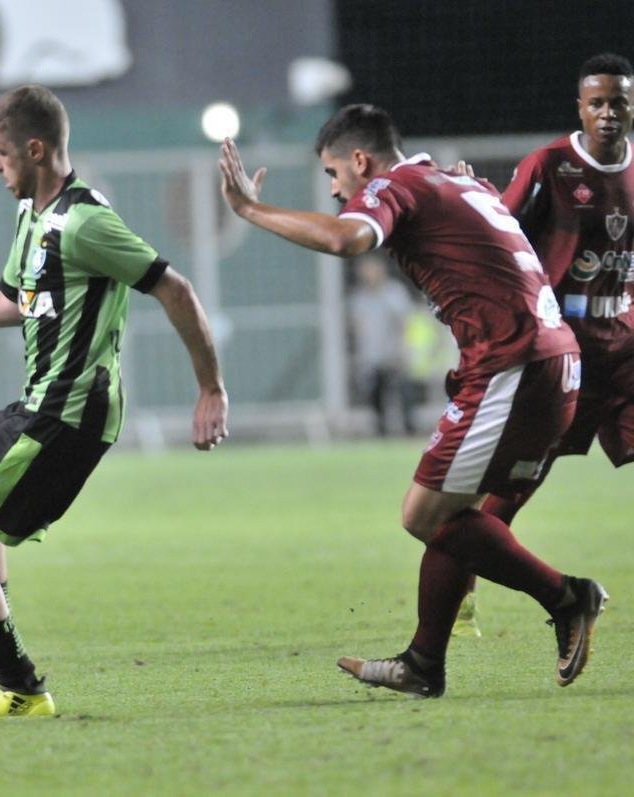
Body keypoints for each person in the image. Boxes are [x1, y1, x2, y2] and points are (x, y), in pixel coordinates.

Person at [0, 85, 229, 718]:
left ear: (35, 150)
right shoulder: (33, 215)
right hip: (38, 403)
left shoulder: (86, 222)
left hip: (68, 415)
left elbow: (175, 289)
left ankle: (20, 686)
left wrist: (210, 387)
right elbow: (12, 303)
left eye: (0, 152)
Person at [219, 103, 606, 698]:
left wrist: (250, 209)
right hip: (551, 363)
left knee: (424, 516)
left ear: (359, 160)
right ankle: (423, 664)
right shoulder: (456, 181)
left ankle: (567, 597)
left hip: (513, 364)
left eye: (332, 174)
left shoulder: (397, 184)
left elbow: (347, 239)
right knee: (451, 517)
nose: (335, 190)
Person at [451, 53, 634, 636]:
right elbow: (499, 235)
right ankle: (461, 582)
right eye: (597, 103)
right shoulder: (549, 166)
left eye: (619, 102)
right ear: (580, 108)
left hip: (625, 347)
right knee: (514, 486)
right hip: (564, 354)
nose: (608, 113)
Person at [346, 253, 418, 435]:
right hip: (372, 354)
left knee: (403, 390)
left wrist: (404, 348)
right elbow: (356, 327)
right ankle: (381, 430)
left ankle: (409, 428)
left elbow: (405, 323)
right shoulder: (359, 298)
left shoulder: (395, 293)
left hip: (395, 352)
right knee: (376, 394)